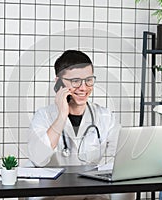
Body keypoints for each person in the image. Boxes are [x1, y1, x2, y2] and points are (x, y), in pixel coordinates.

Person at [27, 50, 134, 200]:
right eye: (75, 81)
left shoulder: (104, 116)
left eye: (89, 80)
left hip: (90, 190)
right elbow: (38, 158)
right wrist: (62, 115)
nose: (83, 88)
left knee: (125, 191)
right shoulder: (44, 116)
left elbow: (126, 153)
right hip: (54, 193)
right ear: (59, 82)